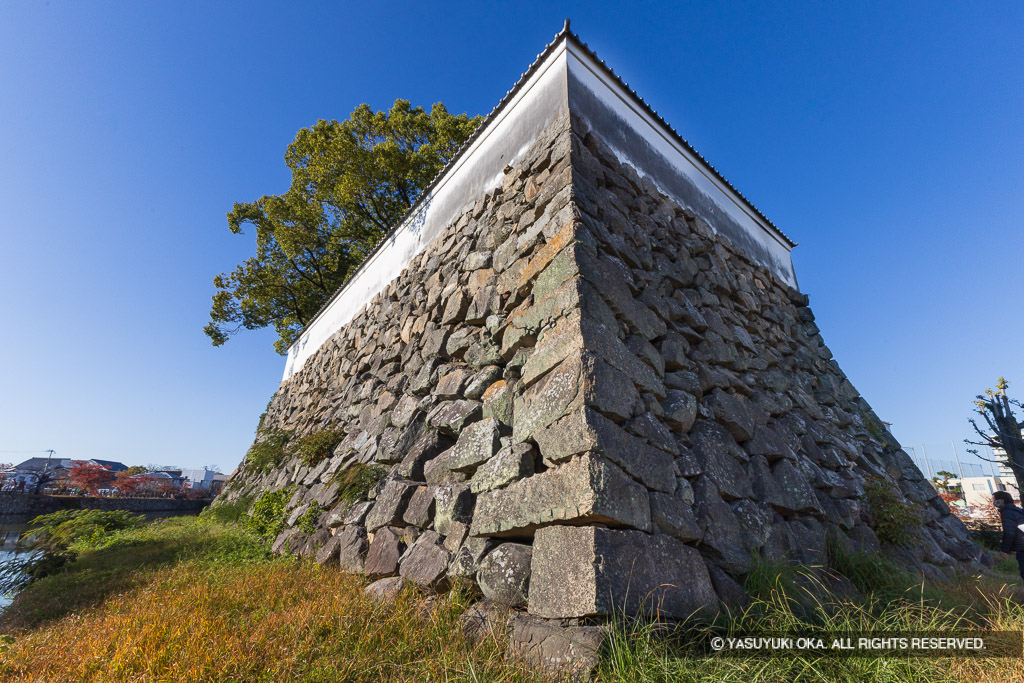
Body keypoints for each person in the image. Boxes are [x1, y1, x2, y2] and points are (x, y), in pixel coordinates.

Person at [993, 490, 1024, 581]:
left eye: (995, 500)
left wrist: (1004, 550)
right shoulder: (1018, 511)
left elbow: (1010, 532)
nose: (994, 502)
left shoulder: (1007, 512)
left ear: (1001, 501)